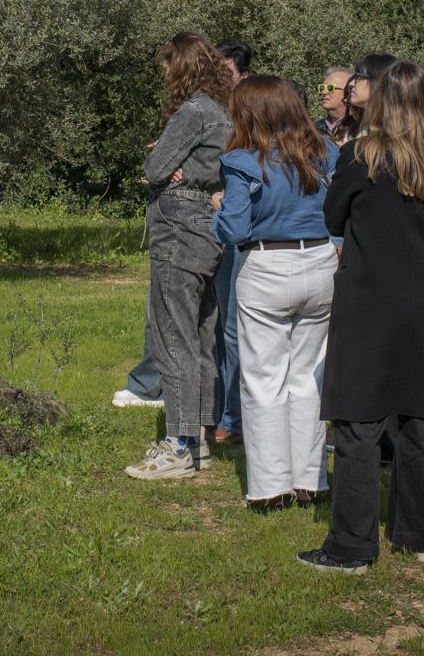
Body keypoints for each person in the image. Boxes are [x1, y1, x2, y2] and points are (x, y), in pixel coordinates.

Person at [300, 60, 424, 573]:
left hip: (371, 297)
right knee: (421, 417)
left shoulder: (361, 154)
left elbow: (332, 216)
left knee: (357, 419)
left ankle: (351, 543)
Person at [213, 76, 339, 509]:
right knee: (309, 377)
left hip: (267, 264)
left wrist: (216, 210)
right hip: (321, 260)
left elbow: (234, 229)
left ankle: (269, 488)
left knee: (264, 379)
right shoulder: (325, 152)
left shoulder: (243, 161)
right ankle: (310, 481)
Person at [125, 32, 233, 480]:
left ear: (183, 67)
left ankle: (179, 445)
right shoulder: (222, 111)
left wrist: (164, 161)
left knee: (173, 336)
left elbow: (154, 169)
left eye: (168, 65)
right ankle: (201, 437)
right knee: (201, 334)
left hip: (179, 227)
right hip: (209, 228)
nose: (164, 73)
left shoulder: (192, 111)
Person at [208, 40, 254, 445]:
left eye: (225, 71)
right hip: (221, 223)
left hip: (242, 228)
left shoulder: (250, 111)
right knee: (222, 324)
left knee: (236, 327)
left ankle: (235, 418)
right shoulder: (211, 109)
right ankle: (223, 408)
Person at [336, 53, 397, 147]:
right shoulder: (356, 130)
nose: (351, 83)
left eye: (359, 77)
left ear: (378, 81)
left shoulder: (397, 134)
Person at [316, 66, 352, 140]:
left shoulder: (362, 128)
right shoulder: (314, 129)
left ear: (348, 91)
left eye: (330, 88)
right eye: (322, 88)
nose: (323, 92)